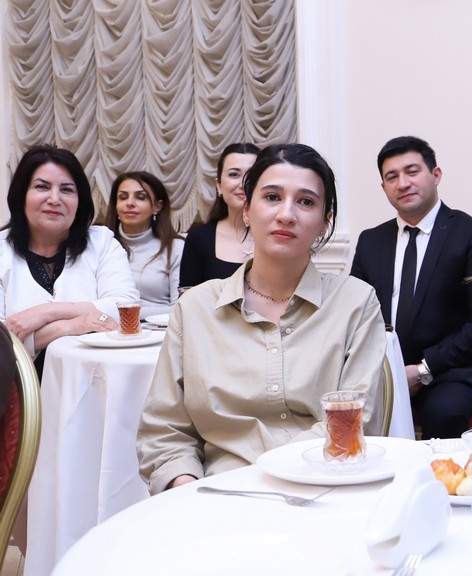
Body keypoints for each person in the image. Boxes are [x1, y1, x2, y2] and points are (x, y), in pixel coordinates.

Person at [137, 143, 387, 494]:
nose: (287, 214)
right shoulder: (195, 309)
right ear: (246, 210)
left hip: (323, 489)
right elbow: (166, 431)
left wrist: (268, 480)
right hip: (219, 495)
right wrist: (187, 487)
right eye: (272, 197)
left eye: (306, 202)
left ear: (324, 222)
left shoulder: (355, 303)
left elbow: (354, 421)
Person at [350, 136, 472, 439]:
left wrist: (423, 369)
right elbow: (354, 313)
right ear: (383, 187)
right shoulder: (371, 241)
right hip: (383, 371)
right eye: (392, 177)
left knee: (444, 410)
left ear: (436, 175)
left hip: (451, 371)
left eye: (412, 171)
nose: (402, 183)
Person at [0, 145, 138, 374]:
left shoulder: (101, 242)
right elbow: (2, 342)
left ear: (79, 201)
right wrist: (74, 325)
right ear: (21, 195)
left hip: (95, 381)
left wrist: (45, 313)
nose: (55, 199)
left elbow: (125, 308)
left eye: (67, 190)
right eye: (42, 187)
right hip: (19, 389)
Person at [104, 171, 185, 318]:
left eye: (140, 197)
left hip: (161, 329)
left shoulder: (175, 248)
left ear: (157, 207)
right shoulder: (102, 246)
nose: (130, 203)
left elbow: (180, 309)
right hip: (106, 328)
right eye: (123, 197)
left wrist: (126, 313)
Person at [178, 143, 260, 288]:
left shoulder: (279, 233)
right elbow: (187, 296)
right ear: (219, 185)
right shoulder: (199, 238)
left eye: (251, 175)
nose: (242, 184)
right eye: (234, 174)